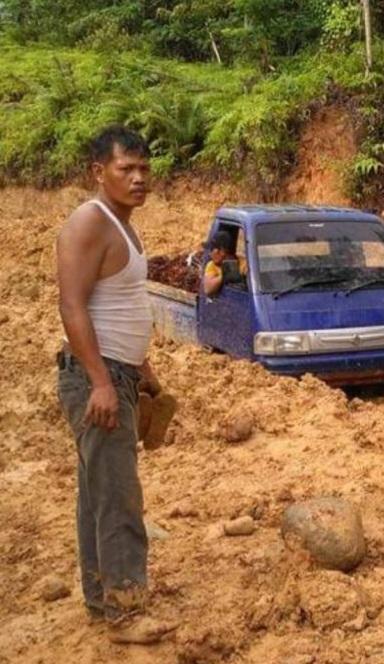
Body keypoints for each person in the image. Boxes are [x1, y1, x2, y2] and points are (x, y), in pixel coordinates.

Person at [56, 125, 175, 642]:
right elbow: (72, 306)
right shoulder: (90, 222)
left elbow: (121, 308)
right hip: (95, 378)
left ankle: (104, 601)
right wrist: (102, 382)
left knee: (98, 495)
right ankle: (126, 611)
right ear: (97, 172)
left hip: (116, 373)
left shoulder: (125, 226)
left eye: (144, 168)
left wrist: (143, 372)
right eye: (126, 168)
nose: (138, 178)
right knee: (120, 496)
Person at [203, 231, 247, 296]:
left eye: (211, 250)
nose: (210, 254)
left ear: (221, 251)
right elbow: (208, 289)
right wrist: (224, 276)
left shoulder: (243, 263)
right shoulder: (211, 265)